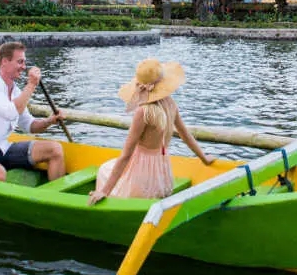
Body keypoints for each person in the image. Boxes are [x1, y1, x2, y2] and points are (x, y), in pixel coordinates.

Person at [88, 58, 214, 205]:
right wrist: (204, 158)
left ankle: (105, 203)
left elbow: (126, 155)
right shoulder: (170, 104)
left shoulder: (143, 113)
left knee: (104, 169)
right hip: (161, 169)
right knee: (108, 167)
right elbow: (185, 135)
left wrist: (104, 191)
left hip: (141, 171)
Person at [0, 41, 67, 182]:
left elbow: (29, 126)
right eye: (20, 62)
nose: (23, 67)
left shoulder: (16, 91)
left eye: (24, 62)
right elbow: (10, 112)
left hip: (4, 148)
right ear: (5, 62)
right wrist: (31, 85)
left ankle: (55, 200)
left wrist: (50, 121)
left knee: (55, 149)